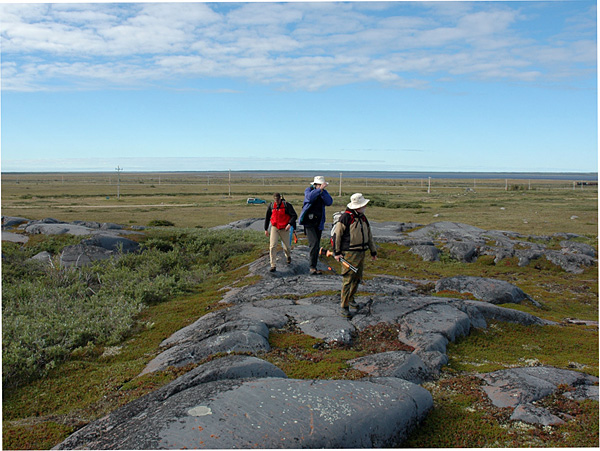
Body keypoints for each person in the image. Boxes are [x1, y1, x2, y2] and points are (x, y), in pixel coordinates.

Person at [331, 193, 377, 318]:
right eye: (363, 205)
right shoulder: (346, 217)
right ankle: (344, 306)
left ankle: (351, 299)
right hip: (350, 253)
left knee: (357, 278)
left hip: (361, 253)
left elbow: (369, 235)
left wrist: (373, 251)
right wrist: (337, 252)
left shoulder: (363, 218)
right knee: (348, 279)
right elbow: (337, 236)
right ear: (358, 206)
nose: (365, 207)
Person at [299, 176, 333, 275]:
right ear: (315, 185)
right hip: (308, 223)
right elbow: (309, 198)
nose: (321, 186)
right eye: (319, 185)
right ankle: (312, 267)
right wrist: (319, 190)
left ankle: (314, 265)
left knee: (316, 244)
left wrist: (322, 192)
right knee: (313, 244)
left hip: (318, 223)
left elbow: (329, 202)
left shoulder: (323, 193)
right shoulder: (309, 190)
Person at [264, 193, 297, 272]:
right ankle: (273, 265)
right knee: (272, 246)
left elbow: (294, 215)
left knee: (287, 247)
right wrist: (266, 229)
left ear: (280, 199)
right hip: (274, 227)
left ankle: (288, 256)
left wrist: (289, 224)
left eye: (278, 200)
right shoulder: (271, 206)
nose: (277, 201)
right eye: (275, 200)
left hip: (284, 228)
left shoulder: (287, 206)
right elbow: (267, 217)